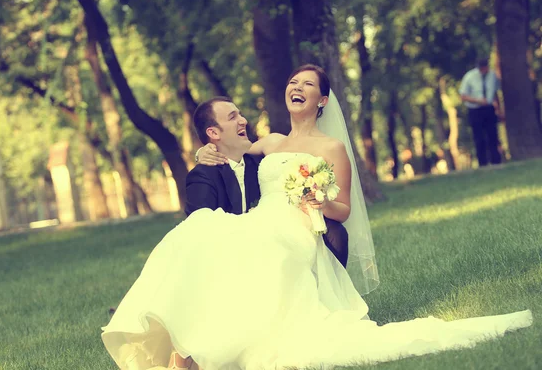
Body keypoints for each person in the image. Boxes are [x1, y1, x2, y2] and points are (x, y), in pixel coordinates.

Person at [101, 65, 532, 370]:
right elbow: (227, 153)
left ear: (321, 100)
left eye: (307, 84)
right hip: (261, 221)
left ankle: (195, 347)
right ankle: (190, 338)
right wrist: (200, 152)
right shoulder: (269, 142)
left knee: (259, 247)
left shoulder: (332, 150)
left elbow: (342, 208)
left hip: (301, 225)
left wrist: (315, 198)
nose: (297, 86)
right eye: (293, 81)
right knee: (214, 239)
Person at [187, 96, 349, 267]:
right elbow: (202, 232)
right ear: (213, 133)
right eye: (233, 117)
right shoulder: (202, 176)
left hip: (275, 239)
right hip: (231, 255)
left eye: (240, 115)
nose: (243, 121)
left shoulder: (261, 165)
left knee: (335, 232)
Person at [459, 58, 502, 166]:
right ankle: (482, 162)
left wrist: (499, 109)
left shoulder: (492, 76)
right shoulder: (470, 77)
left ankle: (496, 160)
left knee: (493, 134)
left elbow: (495, 93)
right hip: (475, 109)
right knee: (479, 136)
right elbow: (463, 96)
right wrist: (478, 101)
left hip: (489, 108)